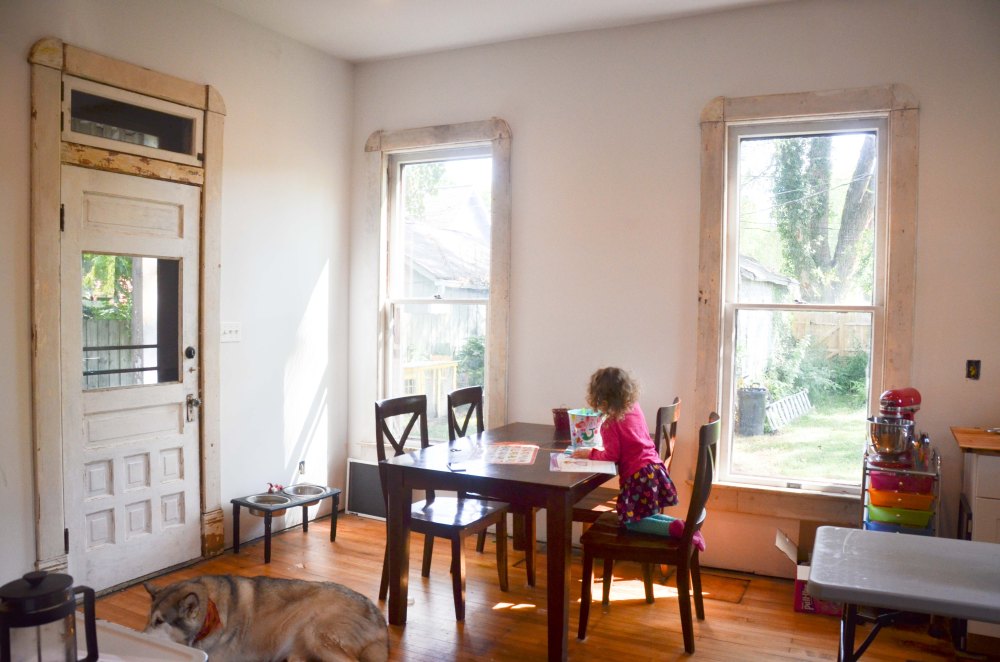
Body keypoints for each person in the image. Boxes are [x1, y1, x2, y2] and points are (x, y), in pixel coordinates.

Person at [572, 367, 696, 544]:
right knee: (643, 517)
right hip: (654, 469)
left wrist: (590, 453)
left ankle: (672, 529)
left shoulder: (610, 424)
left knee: (631, 523)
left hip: (638, 477)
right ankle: (685, 527)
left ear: (601, 399)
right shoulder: (635, 408)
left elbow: (612, 455)